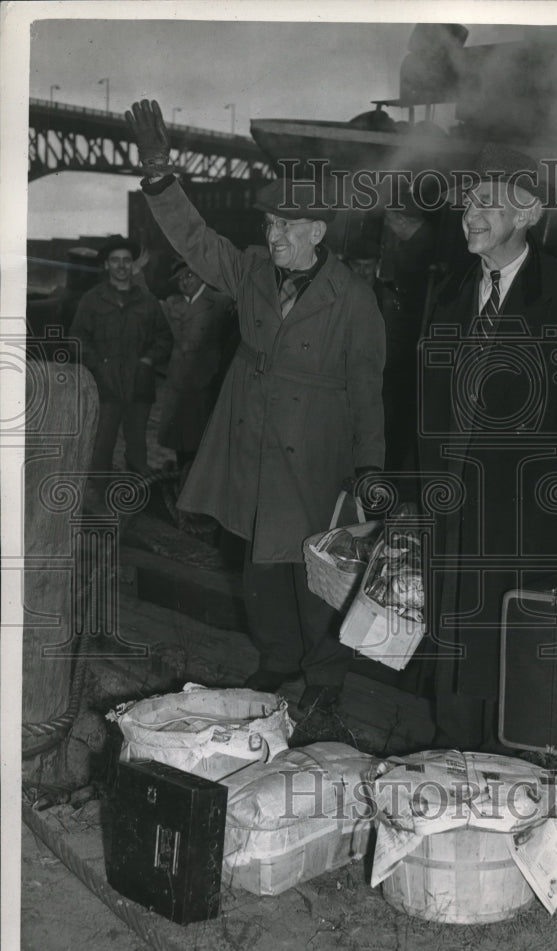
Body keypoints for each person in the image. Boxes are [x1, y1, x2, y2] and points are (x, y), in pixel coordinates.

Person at [125, 99, 386, 712]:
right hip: (253, 438)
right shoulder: (248, 271)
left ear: (316, 231)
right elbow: (195, 240)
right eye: (269, 225)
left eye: (286, 227)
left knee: (319, 572)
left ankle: (325, 676)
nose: (272, 237)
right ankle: (277, 657)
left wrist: (370, 467)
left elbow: (367, 390)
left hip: (317, 450)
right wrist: (160, 174)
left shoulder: (353, 300)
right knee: (258, 564)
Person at [418, 144, 557, 750]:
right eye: (467, 201)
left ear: (528, 213)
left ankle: (511, 783)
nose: (468, 213)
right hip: (453, 517)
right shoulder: (449, 290)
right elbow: (424, 412)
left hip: (531, 525)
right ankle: (453, 768)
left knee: (517, 668)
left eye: (486, 202)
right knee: (454, 665)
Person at [69, 234, 172, 478]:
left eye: (126, 260)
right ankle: (98, 495)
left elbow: (165, 339)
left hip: (139, 384)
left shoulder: (148, 302)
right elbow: (77, 339)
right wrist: (98, 364)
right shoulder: (92, 300)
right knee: (102, 445)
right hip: (105, 385)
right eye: (115, 260)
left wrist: (148, 360)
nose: (122, 265)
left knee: (137, 445)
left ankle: (137, 498)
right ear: (106, 265)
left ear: (133, 264)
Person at [158, 260, 235, 474]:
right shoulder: (172, 303)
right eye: (180, 279)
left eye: (189, 275)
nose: (184, 281)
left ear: (201, 275)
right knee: (180, 440)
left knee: (200, 439)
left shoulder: (220, 302)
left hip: (204, 383)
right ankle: (181, 480)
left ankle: (194, 483)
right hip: (177, 382)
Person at [380, 191, 438, 472]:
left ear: (400, 219)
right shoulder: (418, 242)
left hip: (410, 344)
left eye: (389, 220)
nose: (388, 227)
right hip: (406, 341)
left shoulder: (421, 249)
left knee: (397, 408)